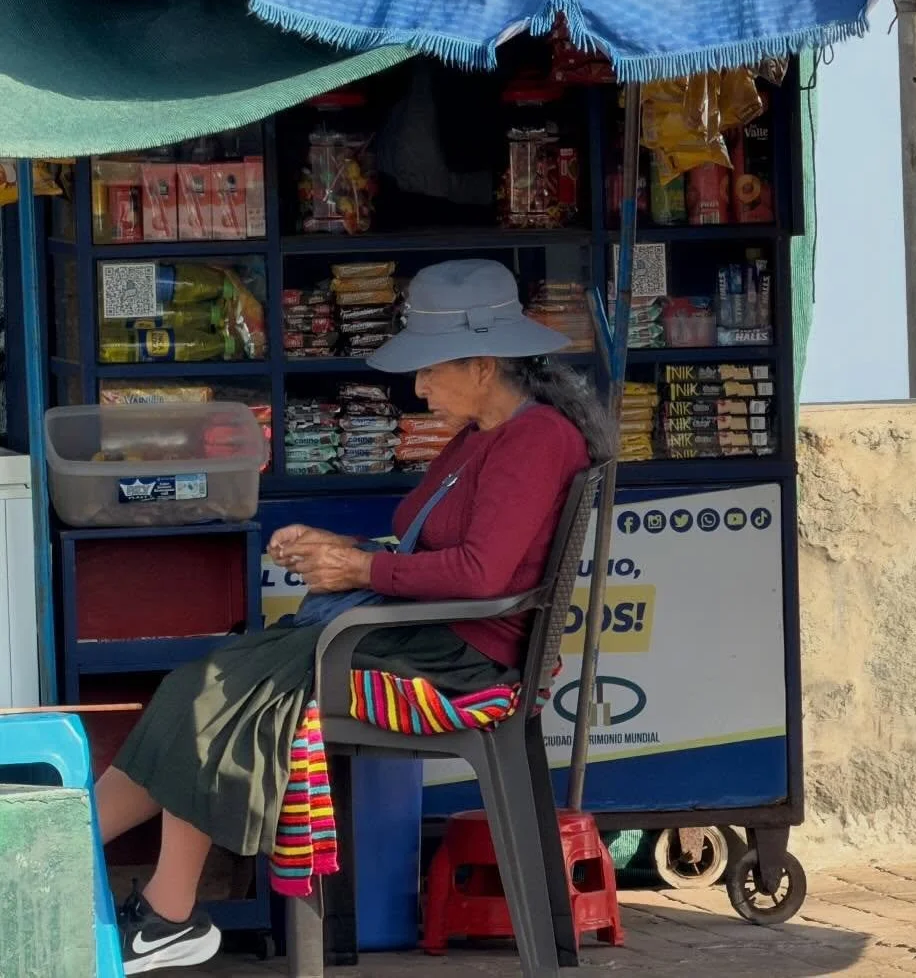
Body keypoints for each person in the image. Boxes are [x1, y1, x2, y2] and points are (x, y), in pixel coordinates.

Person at [98, 260, 610, 973]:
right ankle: (76, 863)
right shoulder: (479, 435)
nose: (418, 387)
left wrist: (360, 571)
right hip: (416, 628)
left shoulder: (535, 440)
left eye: (429, 369)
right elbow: (430, 548)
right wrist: (340, 548)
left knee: (213, 687)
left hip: (458, 657)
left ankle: (166, 912)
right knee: (203, 680)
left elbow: (480, 574)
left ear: (483, 365)